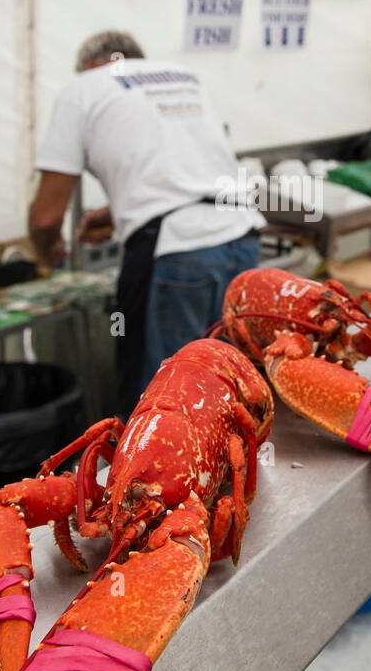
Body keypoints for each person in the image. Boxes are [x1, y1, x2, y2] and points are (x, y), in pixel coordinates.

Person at [29, 30, 263, 414]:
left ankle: (146, 475)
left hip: (178, 252)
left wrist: (46, 254)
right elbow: (186, 172)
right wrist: (119, 212)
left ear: (88, 66)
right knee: (224, 391)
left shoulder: (82, 88)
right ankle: (230, 470)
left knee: (162, 406)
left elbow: (45, 216)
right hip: (242, 237)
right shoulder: (180, 75)